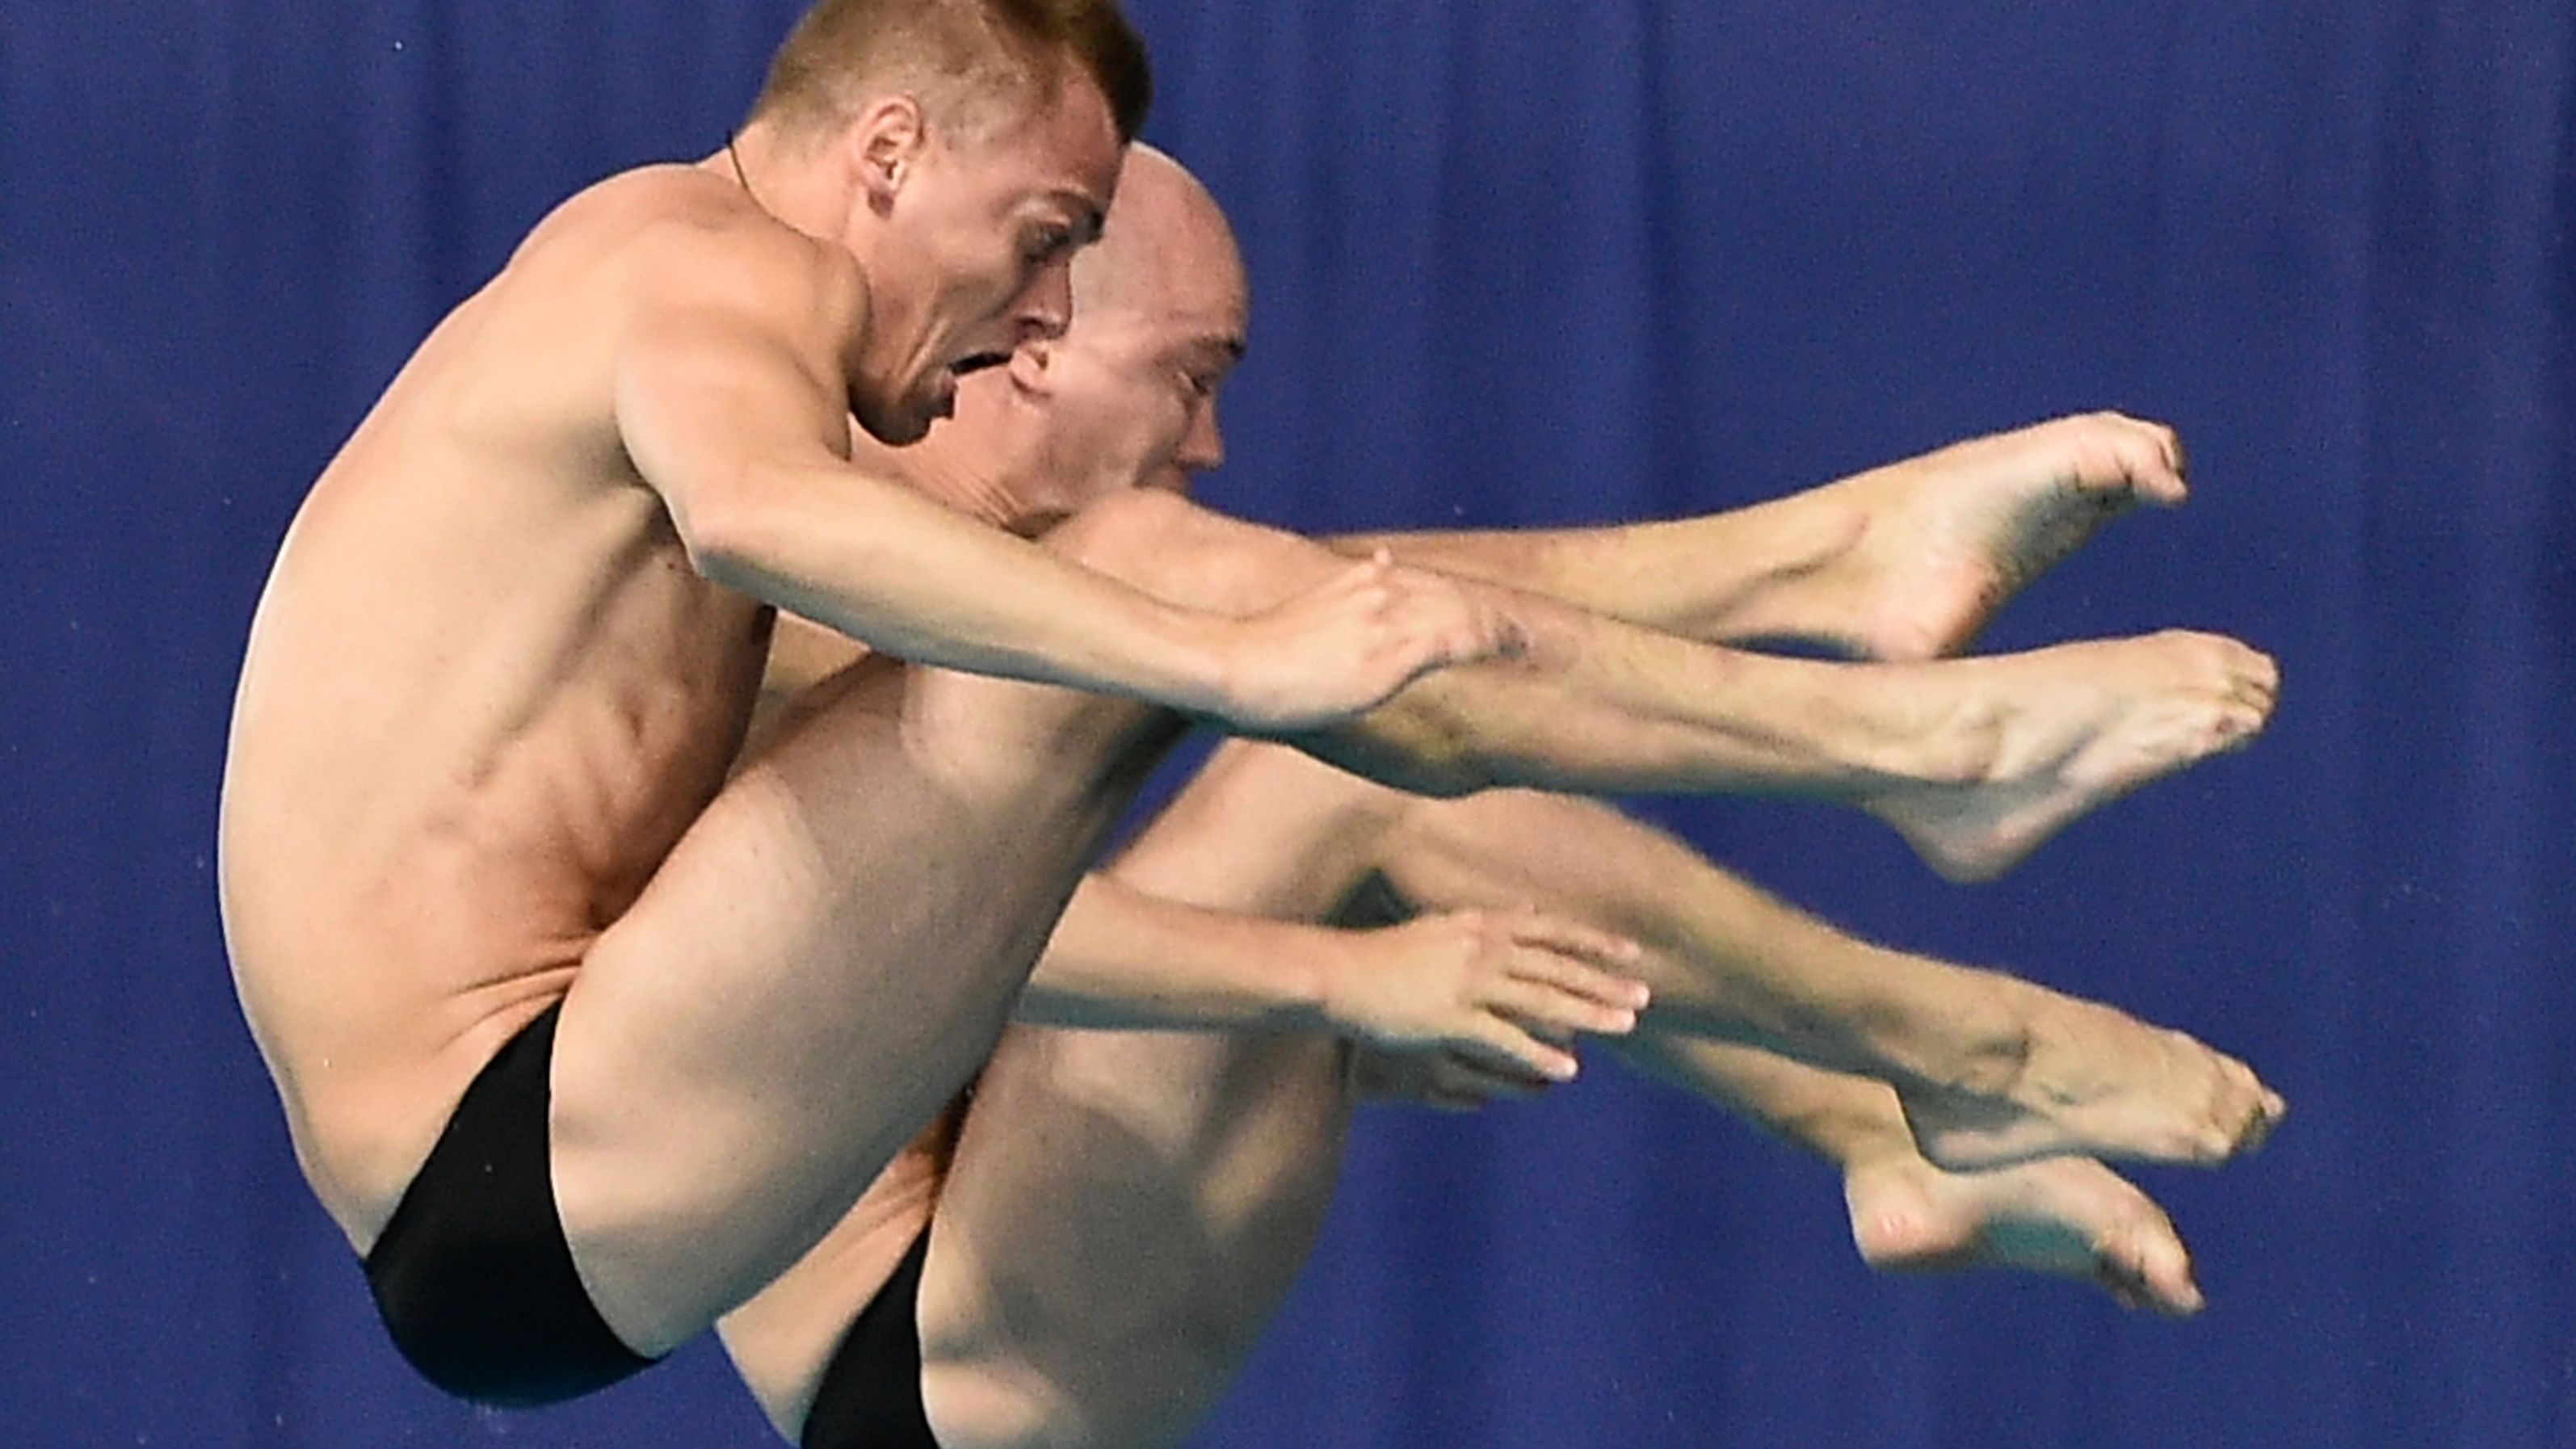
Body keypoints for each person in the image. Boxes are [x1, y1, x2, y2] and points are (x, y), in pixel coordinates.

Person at [218, 0, 2278, 1419]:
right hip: (601, 1207)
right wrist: (1252, 761)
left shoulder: (704, 347)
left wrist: (1256, 716)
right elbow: (763, 520)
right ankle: (1909, 760)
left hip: (568, 1184)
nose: (1042, 320)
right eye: (1045, 254)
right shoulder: (714, 289)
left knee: (1332, 719)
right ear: (883, 152)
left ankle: (1881, 951)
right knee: (1232, 666)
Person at [711, 146, 2283, 1449]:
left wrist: (1316, 1030)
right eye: (1186, 379)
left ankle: (1878, 1123)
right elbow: (904, 948)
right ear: (1032, 351)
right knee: (1333, 756)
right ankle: (1957, 1012)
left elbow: (917, 1014)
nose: (1207, 441)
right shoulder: (805, 571)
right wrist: (1336, 981)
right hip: (915, 1352)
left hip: (1009, 1243)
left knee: (1371, 756)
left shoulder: (963, 603)